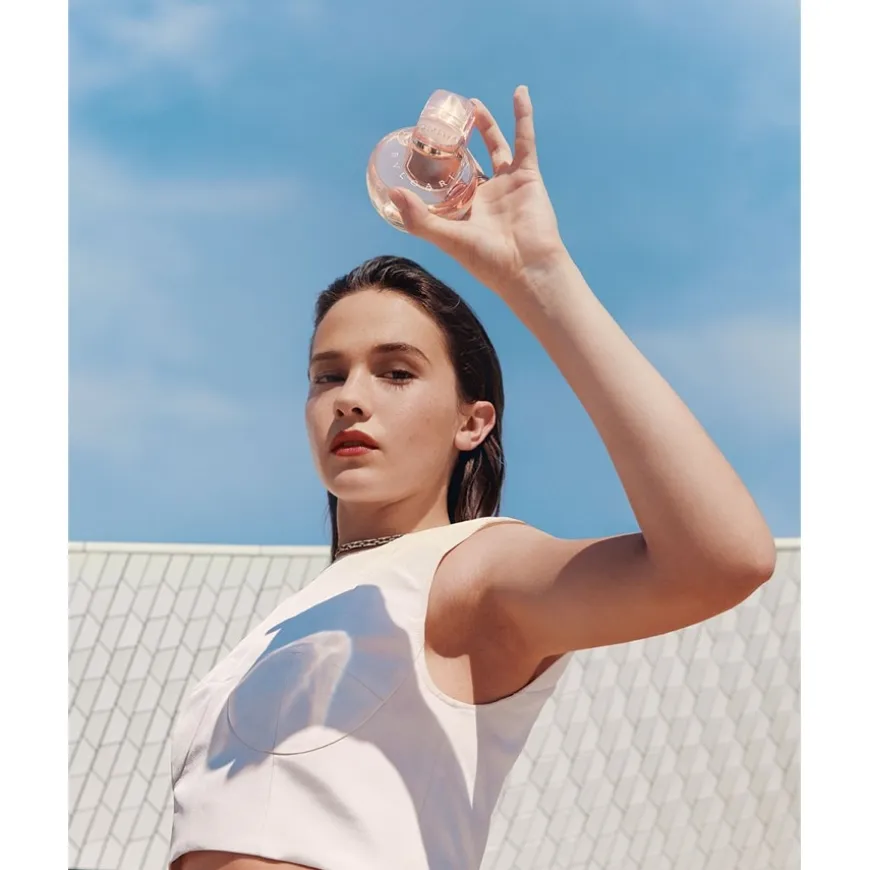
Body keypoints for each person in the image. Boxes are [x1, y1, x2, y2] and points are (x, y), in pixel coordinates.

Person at [168, 86, 776, 870]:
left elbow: (724, 559)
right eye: (328, 374)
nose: (350, 396)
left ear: (472, 422)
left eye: (396, 372)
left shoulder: (469, 571)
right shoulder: (284, 624)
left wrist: (541, 277)